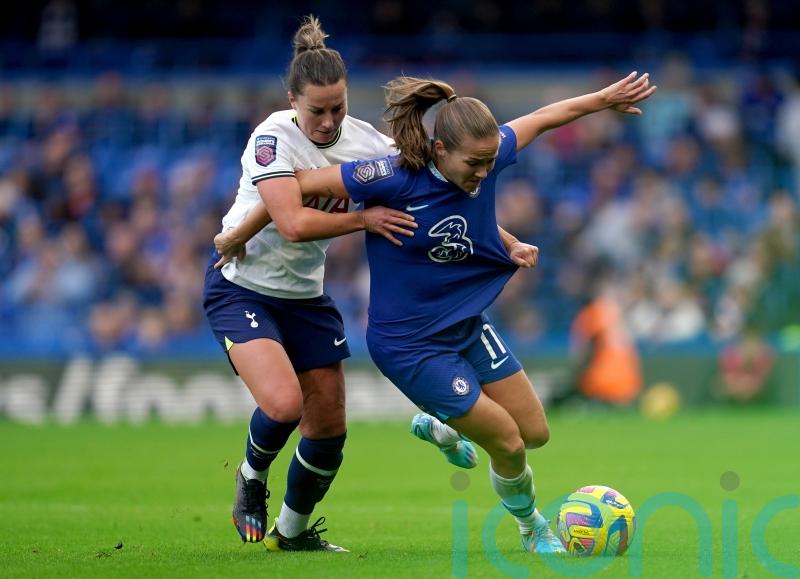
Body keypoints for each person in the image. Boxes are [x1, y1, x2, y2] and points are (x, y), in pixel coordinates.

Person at [217, 70, 656, 555]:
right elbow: (293, 186)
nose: (485, 173)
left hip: (465, 324)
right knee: (507, 442)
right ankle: (533, 528)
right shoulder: (388, 176)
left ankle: (443, 425)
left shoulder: (484, 155)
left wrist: (602, 99)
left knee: (535, 432)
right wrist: (242, 230)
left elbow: (545, 117)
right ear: (441, 150)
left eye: (492, 161)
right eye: (475, 163)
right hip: (409, 343)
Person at [202, 15, 421, 552]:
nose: (327, 122)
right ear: (293, 100)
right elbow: (294, 223)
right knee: (283, 405)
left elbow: (431, 186)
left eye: (338, 108)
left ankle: (293, 536)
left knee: (328, 430)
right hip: (243, 287)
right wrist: (363, 219)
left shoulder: (367, 143)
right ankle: (252, 477)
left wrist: (503, 238)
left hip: (305, 297)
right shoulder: (271, 138)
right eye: (316, 110)